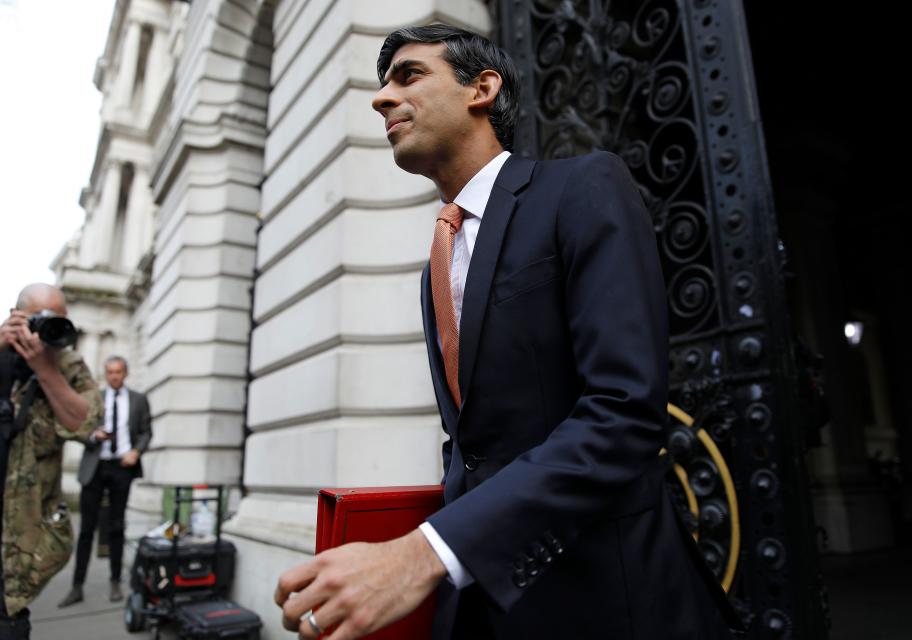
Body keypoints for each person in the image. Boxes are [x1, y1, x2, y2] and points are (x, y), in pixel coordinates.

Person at [275, 25, 743, 640]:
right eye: (382, 84)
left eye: (408, 75)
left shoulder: (582, 189)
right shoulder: (434, 265)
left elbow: (624, 413)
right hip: (488, 603)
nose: (381, 98)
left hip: (609, 601)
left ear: (483, 88)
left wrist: (421, 556)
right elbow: (472, 447)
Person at [0, 283, 103, 639]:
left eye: (58, 321)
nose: (46, 329)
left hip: (1, 535)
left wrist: (45, 369)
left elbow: (85, 422)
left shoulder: (66, 365)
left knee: (1, 631)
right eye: (39, 319)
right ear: (15, 317)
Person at [58, 355, 151, 606]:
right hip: (95, 467)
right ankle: (77, 586)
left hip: (122, 467)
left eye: (118, 371)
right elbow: (78, 429)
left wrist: (136, 451)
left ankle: (114, 581)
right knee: (87, 529)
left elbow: (145, 432)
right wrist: (93, 436)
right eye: (110, 372)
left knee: (117, 527)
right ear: (105, 374)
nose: (114, 376)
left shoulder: (139, 400)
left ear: (126, 373)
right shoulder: (94, 399)